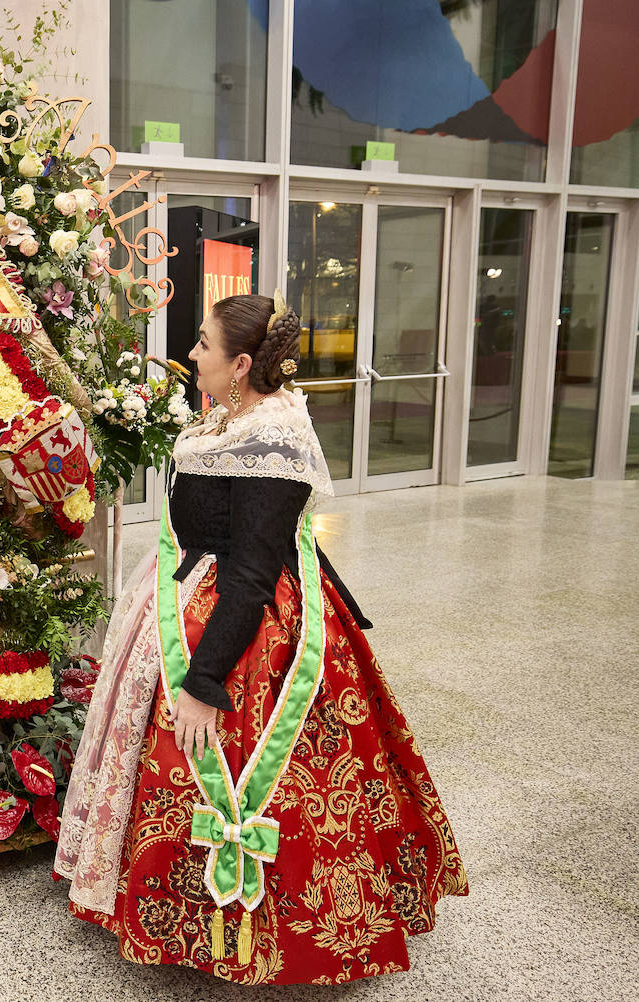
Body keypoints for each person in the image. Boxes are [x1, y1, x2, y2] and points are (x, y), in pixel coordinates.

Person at [55, 292, 467, 985]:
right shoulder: (227, 419)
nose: (192, 354)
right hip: (191, 587)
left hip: (245, 626)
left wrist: (205, 682)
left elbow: (250, 574)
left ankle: (256, 927)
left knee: (232, 760)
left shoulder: (275, 438)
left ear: (241, 364)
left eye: (204, 345)